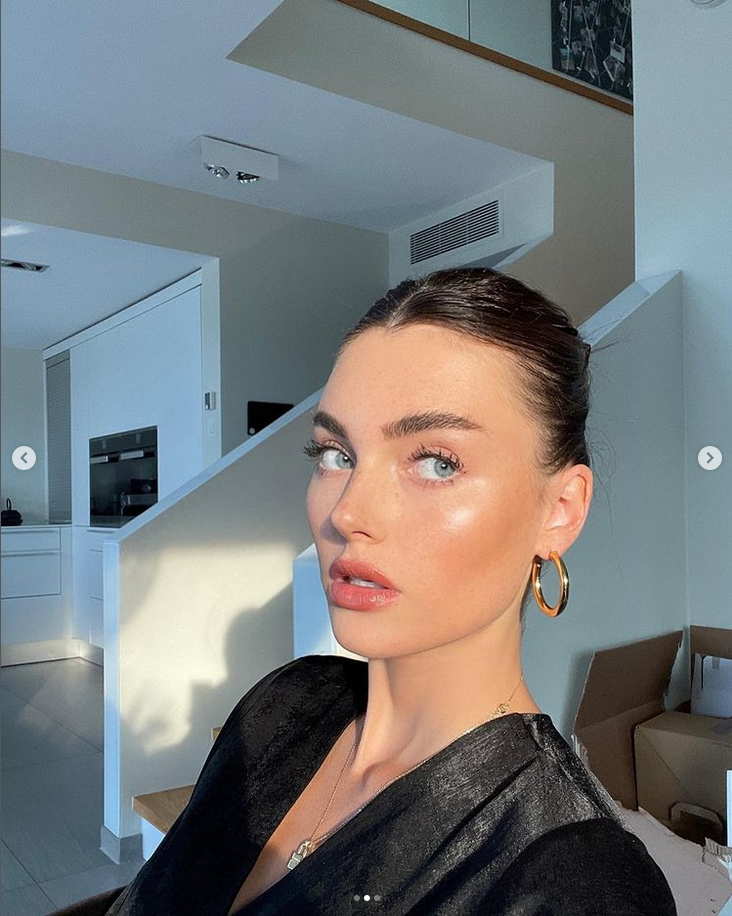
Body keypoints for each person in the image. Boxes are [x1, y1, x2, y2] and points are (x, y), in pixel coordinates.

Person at [54, 268, 677, 914]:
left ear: (560, 511)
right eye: (335, 454)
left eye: (437, 462)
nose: (347, 512)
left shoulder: (575, 879)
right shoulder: (283, 703)